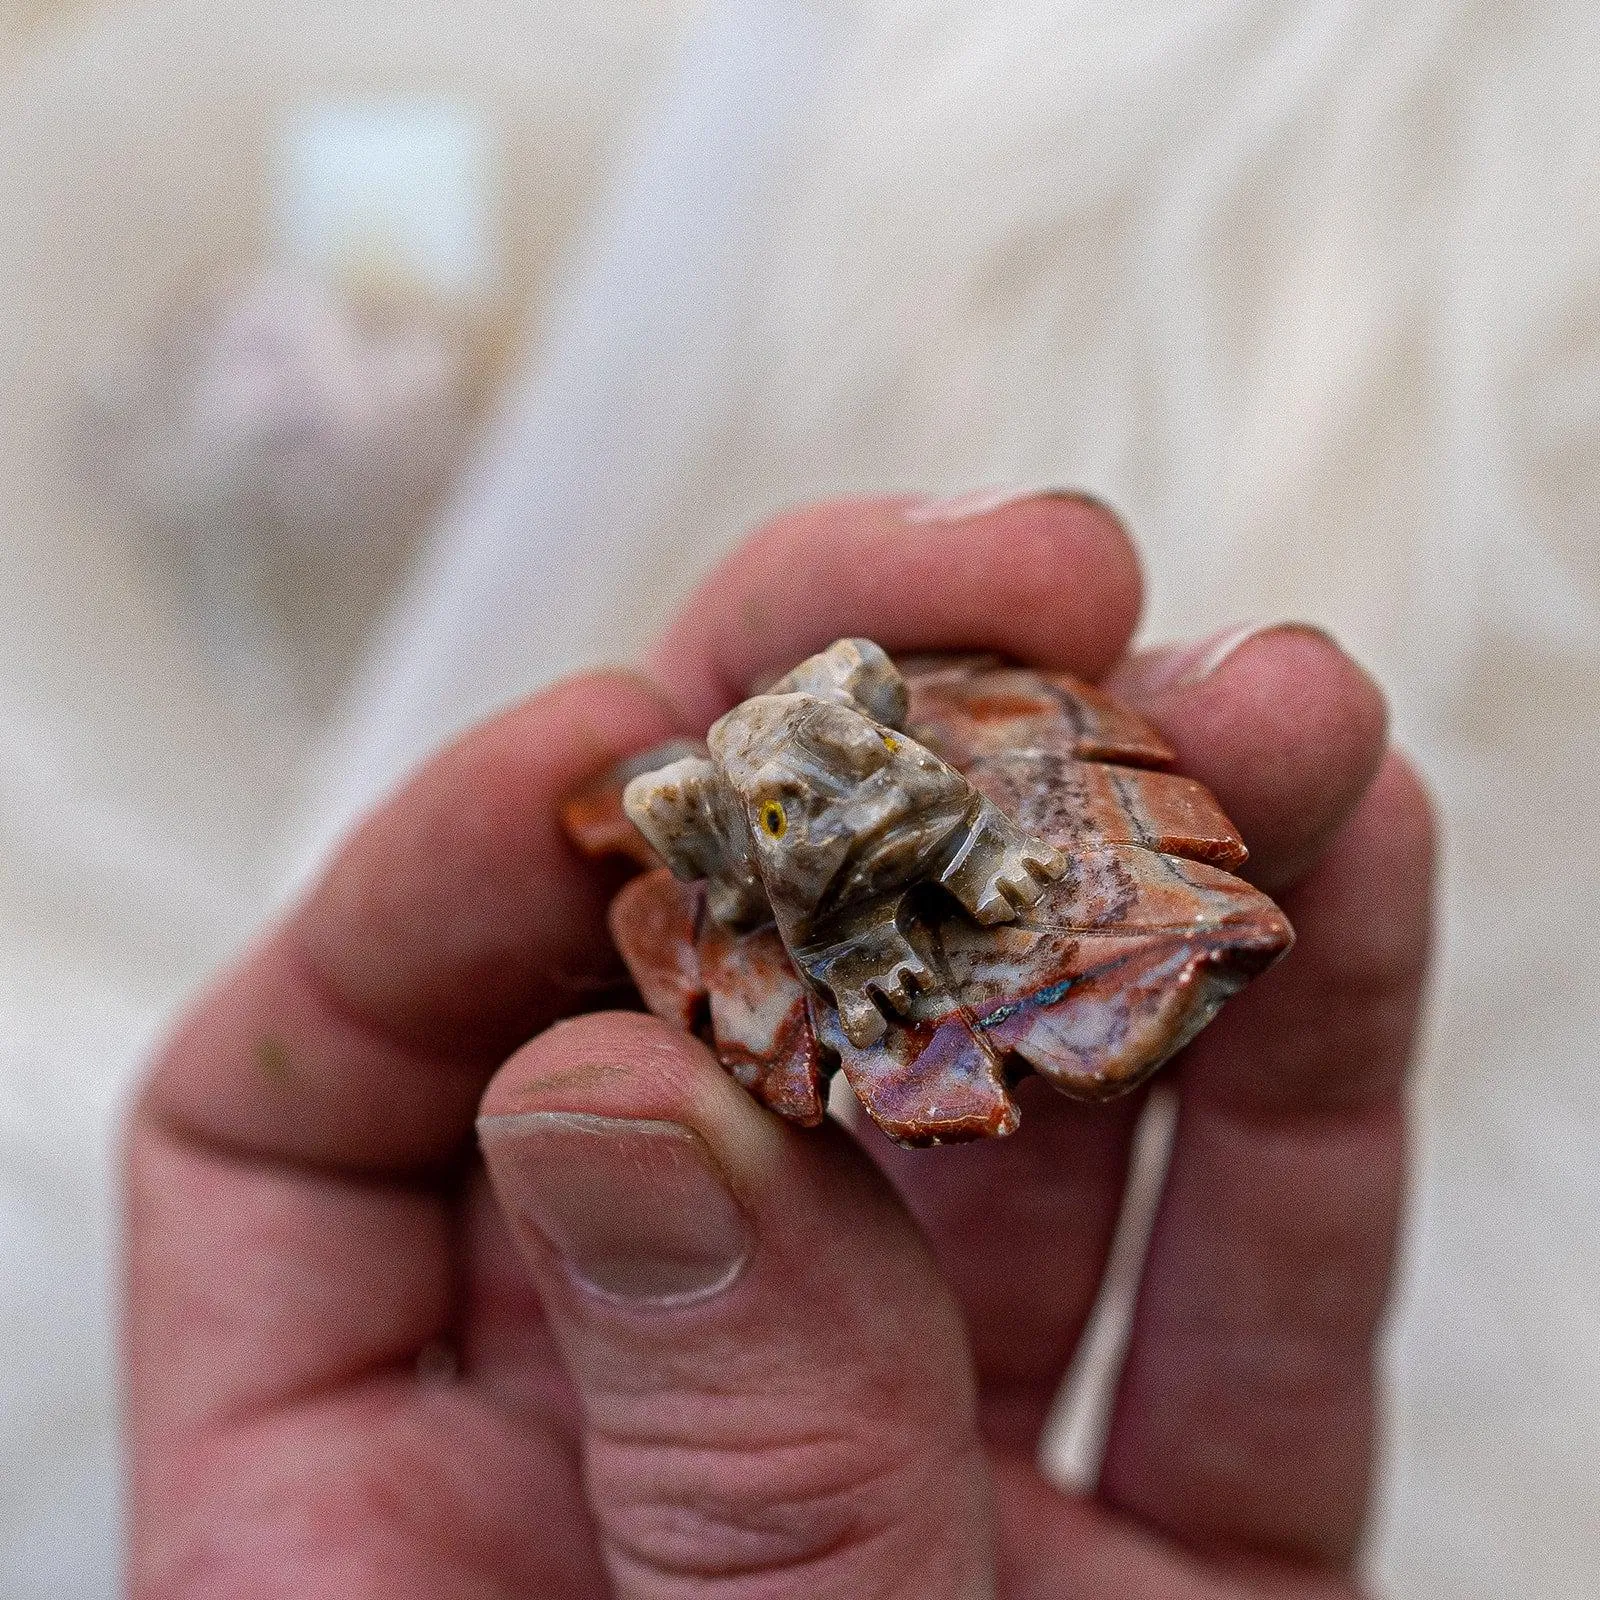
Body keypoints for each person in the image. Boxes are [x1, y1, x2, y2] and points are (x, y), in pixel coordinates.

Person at [121, 494, 1434, 1598]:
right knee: (854, 957)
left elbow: (953, 828)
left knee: (1048, 821)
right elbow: (826, 919)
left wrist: (976, 857)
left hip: (905, 799)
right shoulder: (763, 844)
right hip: (800, 878)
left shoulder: (912, 778)